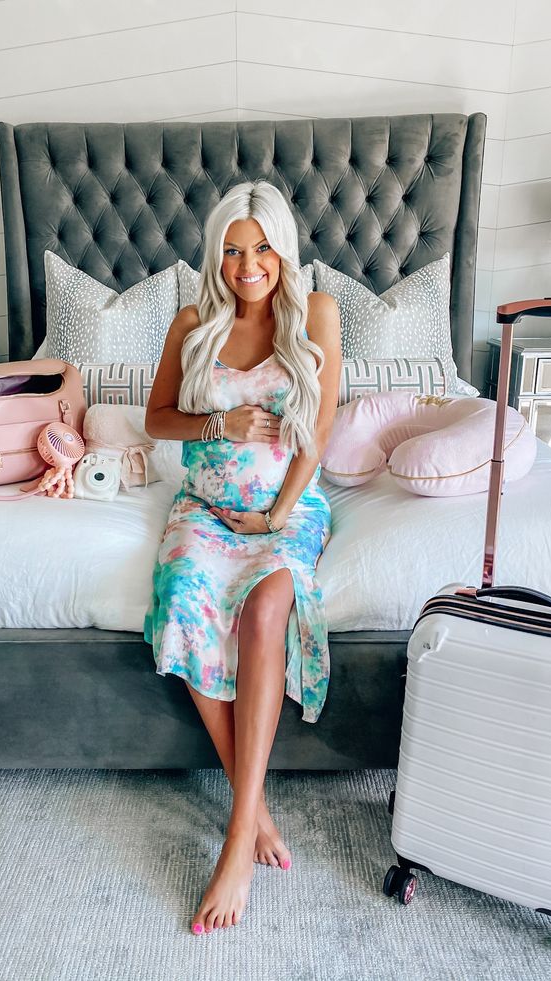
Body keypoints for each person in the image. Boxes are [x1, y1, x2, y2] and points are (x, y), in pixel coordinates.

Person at [143, 179, 341, 934]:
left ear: (282, 249)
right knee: (184, 591)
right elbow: (159, 419)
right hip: (204, 506)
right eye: (232, 249)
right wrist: (218, 423)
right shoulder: (194, 320)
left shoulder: (316, 313)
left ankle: (234, 840)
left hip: (285, 509)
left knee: (265, 607)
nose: (247, 264)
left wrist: (277, 515)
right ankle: (252, 807)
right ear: (216, 253)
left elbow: (316, 437)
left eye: (260, 248)